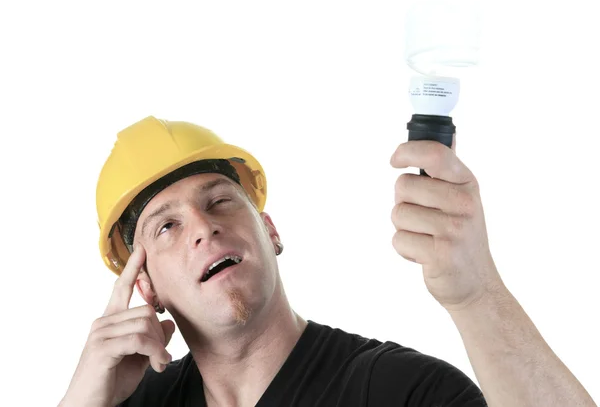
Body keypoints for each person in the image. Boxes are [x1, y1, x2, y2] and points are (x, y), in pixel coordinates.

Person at [59, 116, 596, 407]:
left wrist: (477, 295)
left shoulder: (398, 391)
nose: (203, 227)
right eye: (167, 227)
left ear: (269, 231)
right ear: (145, 288)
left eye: (220, 199)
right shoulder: (129, 404)